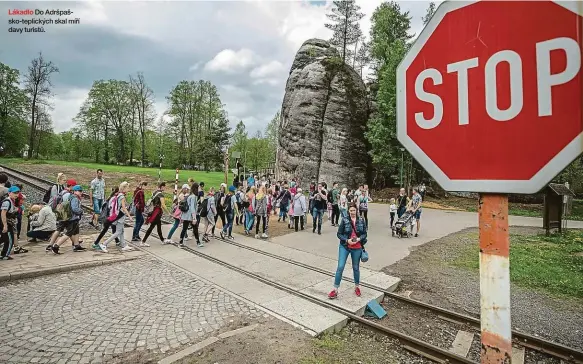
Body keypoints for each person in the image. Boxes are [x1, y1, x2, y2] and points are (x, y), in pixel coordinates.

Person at [328, 203, 367, 299]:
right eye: (350, 211)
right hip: (345, 246)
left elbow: (364, 234)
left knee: (356, 268)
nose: (352, 212)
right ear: (348, 211)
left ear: (356, 210)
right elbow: (339, 234)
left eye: (354, 210)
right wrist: (346, 240)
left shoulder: (361, 220)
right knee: (340, 267)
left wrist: (358, 239)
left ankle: (357, 286)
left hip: (357, 247)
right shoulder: (345, 219)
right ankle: (335, 289)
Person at [48, 185, 86, 254]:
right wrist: (81, 211)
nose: (81, 192)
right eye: (79, 191)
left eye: (81, 191)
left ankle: (76, 245)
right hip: (72, 218)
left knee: (76, 231)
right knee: (69, 233)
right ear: (74, 191)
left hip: (65, 216)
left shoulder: (68, 195)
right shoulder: (75, 198)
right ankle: (56, 246)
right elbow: (75, 209)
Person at [97, 182, 133, 252]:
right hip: (120, 217)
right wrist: (129, 216)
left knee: (121, 231)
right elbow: (124, 208)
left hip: (118, 216)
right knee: (118, 232)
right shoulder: (122, 196)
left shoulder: (118, 195)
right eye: (128, 188)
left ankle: (124, 245)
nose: (128, 189)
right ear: (124, 188)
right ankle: (104, 244)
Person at [0, 186, 20, 260]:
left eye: (17, 193)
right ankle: (5, 255)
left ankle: (3, 254)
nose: (16, 194)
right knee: (9, 239)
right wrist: (5, 225)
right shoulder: (7, 202)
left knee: (3, 238)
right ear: (9, 193)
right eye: (14, 193)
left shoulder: (11, 201)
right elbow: (3, 213)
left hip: (6, 223)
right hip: (5, 223)